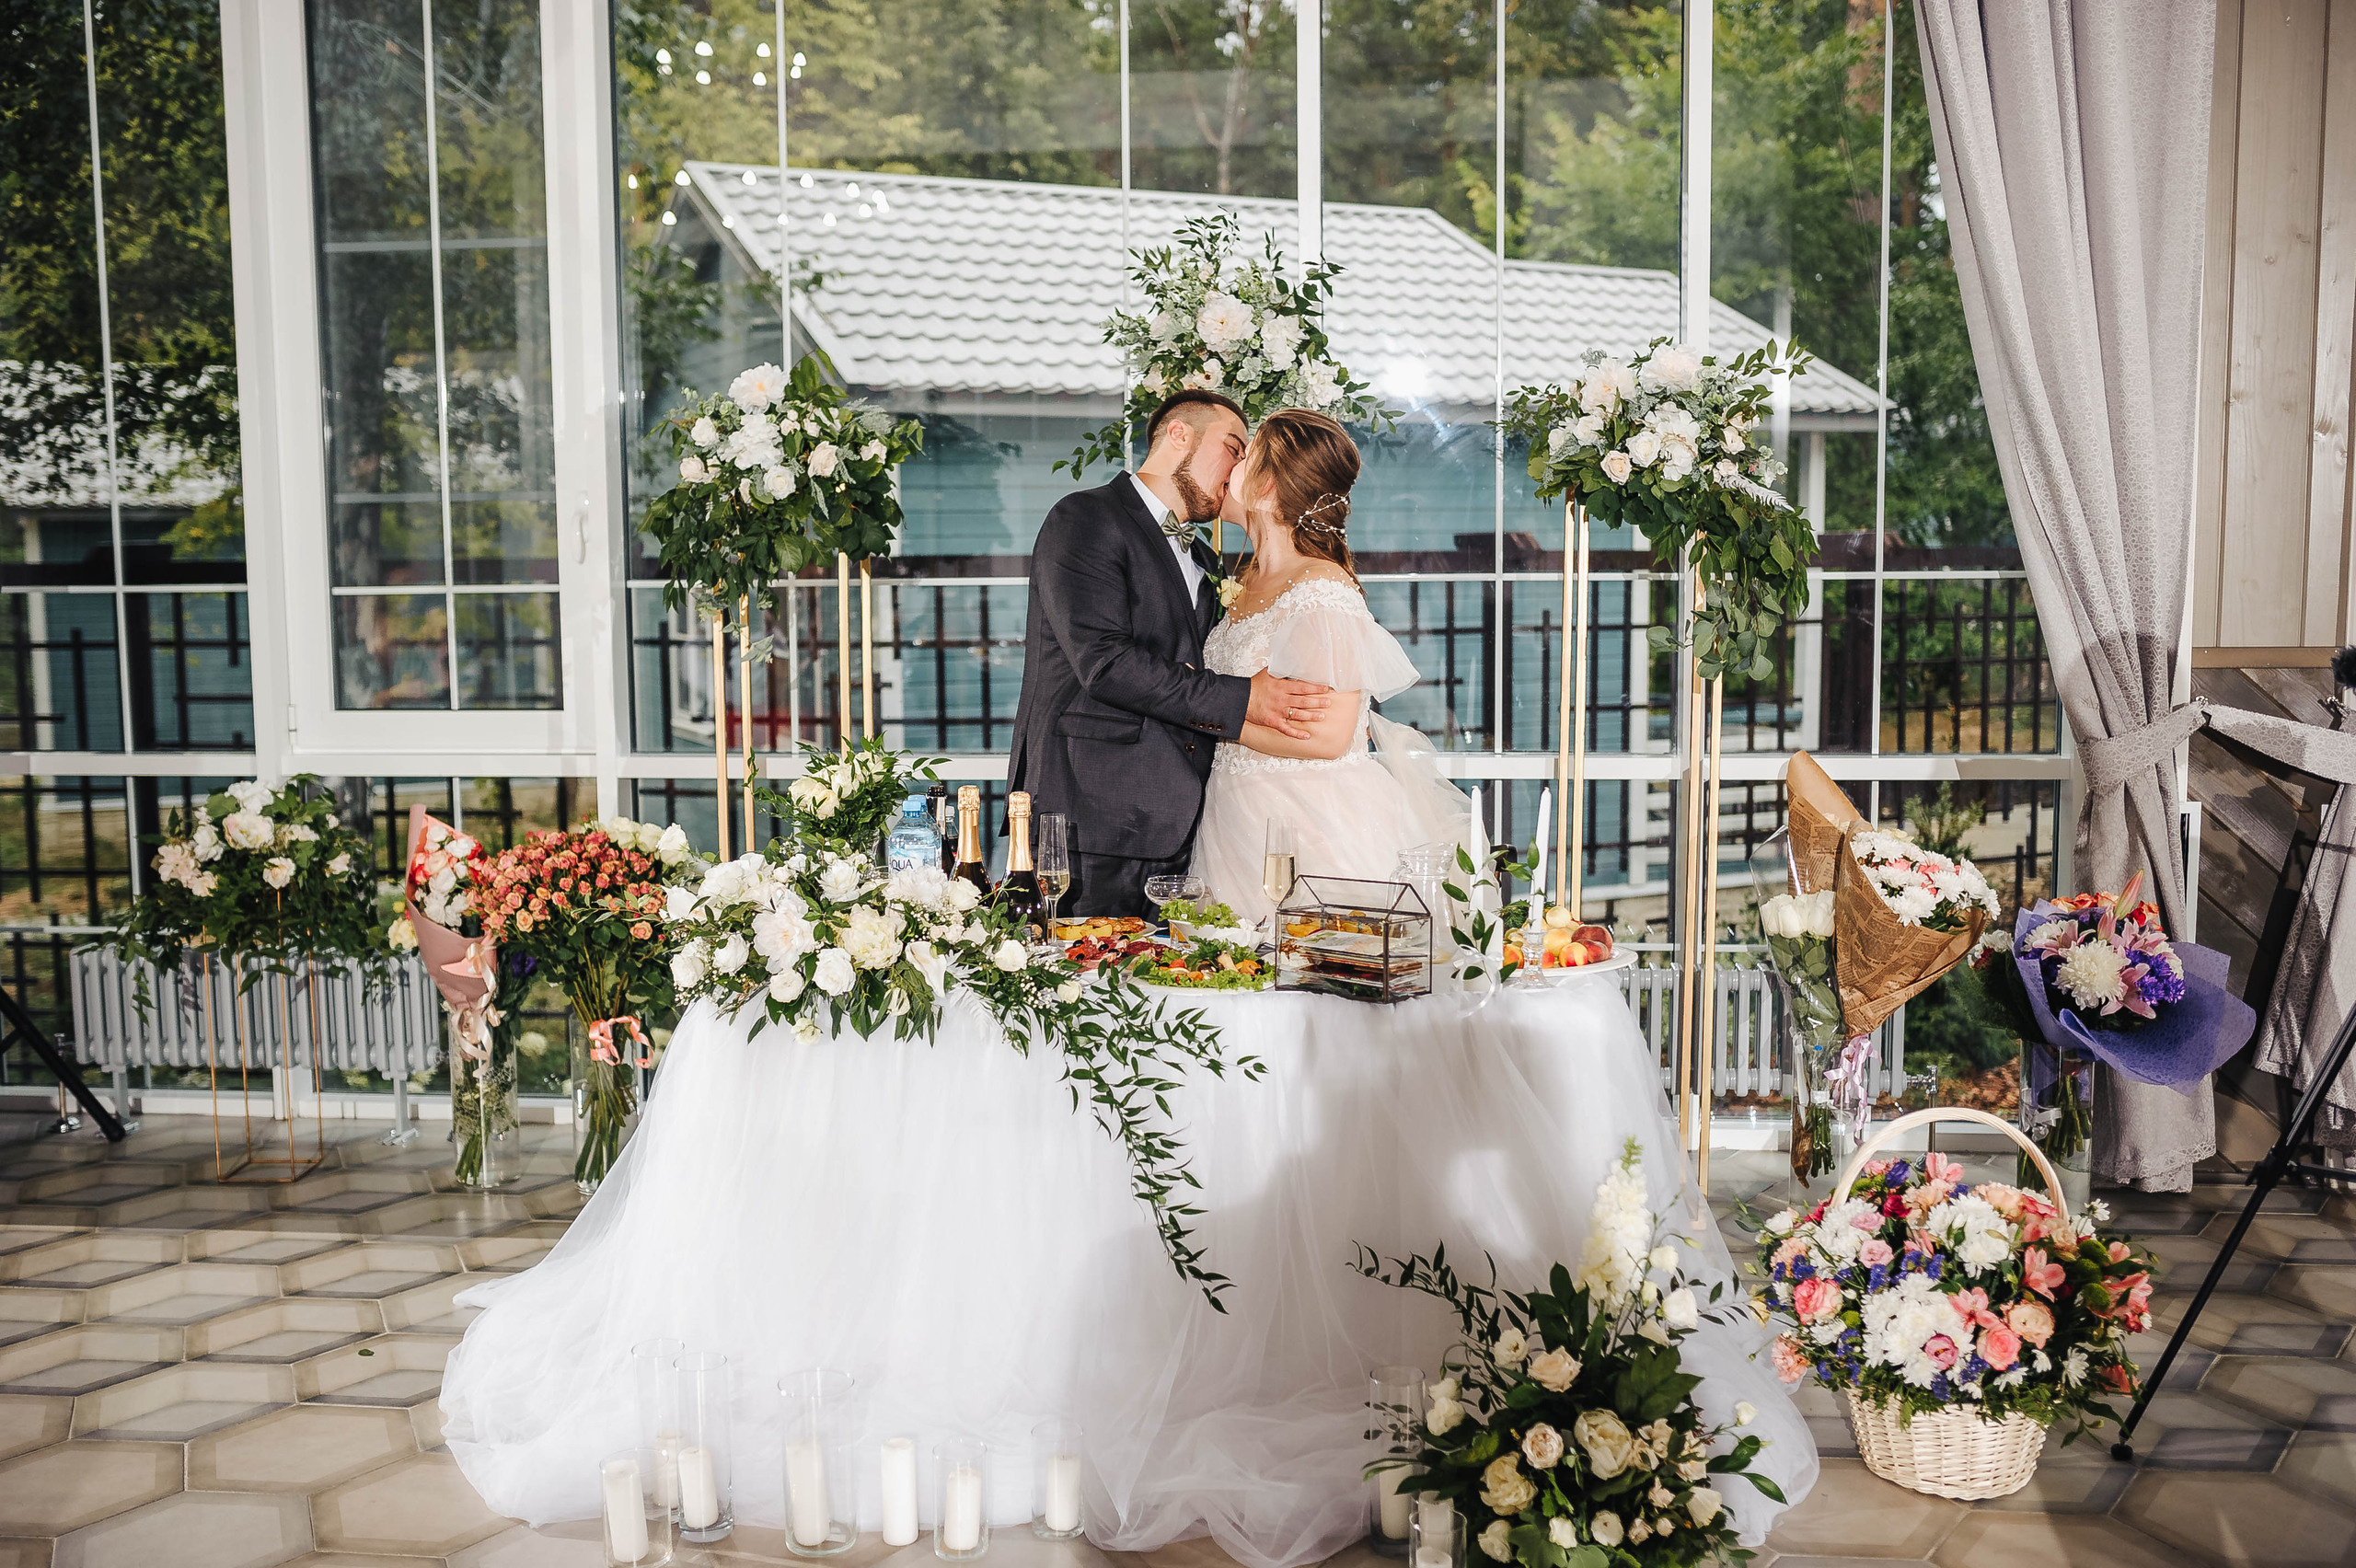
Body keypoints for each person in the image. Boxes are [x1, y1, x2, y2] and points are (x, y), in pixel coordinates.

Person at [1008, 389, 1336, 917]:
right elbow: (1106, 663)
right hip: (1095, 819)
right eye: (1232, 447)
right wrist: (1244, 699)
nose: (1238, 467)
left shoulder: (1205, 557)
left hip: (1187, 827)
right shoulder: (1086, 518)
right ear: (1178, 434)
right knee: (1094, 990)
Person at [1186, 408, 1470, 923]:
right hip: (1234, 816)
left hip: (1308, 822)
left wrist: (1207, 717)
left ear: (1268, 484)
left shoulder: (1321, 588)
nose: (1231, 467)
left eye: (1244, 457)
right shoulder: (1243, 581)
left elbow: (1331, 736)